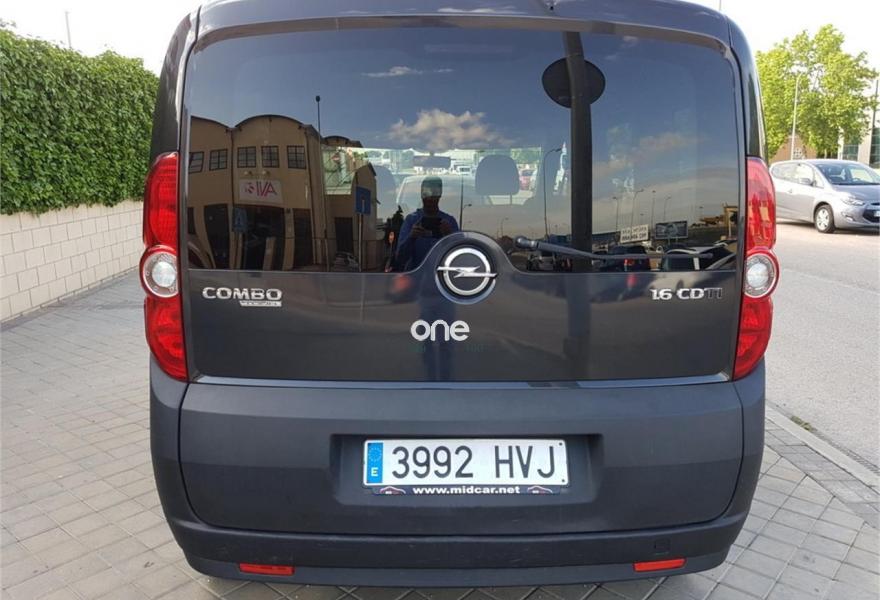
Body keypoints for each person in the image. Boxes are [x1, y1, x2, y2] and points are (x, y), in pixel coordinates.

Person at [394, 177, 459, 270]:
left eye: (434, 194)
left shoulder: (449, 222)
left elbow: (459, 258)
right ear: (421, 194)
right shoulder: (411, 221)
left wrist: (449, 236)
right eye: (426, 194)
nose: (430, 198)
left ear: (440, 195)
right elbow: (399, 259)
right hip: (415, 275)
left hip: (443, 275)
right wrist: (411, 237)